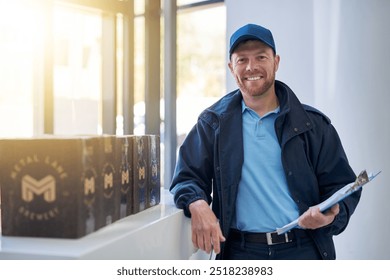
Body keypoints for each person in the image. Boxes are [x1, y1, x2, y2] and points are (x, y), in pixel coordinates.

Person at [169, 23, 361, 260]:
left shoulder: (313, 124)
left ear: (276, 62)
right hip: (239, 252)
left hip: (303, 250)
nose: (251, 67)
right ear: (231, 67)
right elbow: (186, 177)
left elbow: (344, 186)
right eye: (242, 60)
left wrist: (332, 214)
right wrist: (198, 204)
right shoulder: (213, 123)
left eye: (261, 57)